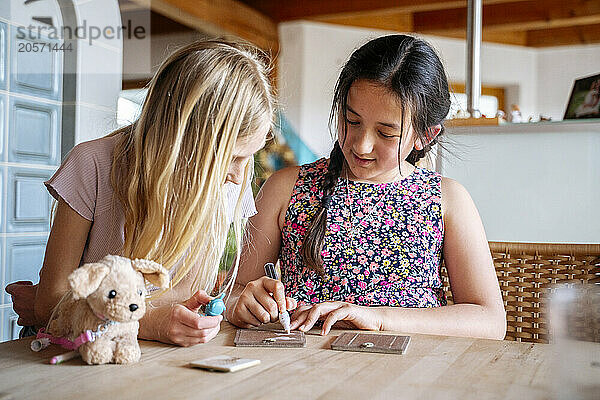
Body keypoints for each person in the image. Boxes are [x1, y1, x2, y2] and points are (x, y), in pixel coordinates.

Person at [226, 35, 506, 339]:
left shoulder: (447, 199)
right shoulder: (285, 187)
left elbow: (490, 321)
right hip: (305, 370)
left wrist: (378, 319)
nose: (361, 144)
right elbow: (235, 290)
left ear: (425, 135)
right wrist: (242, 303)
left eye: (386, 133)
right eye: (351, 120)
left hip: (413, 373)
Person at [5, 39, 275, 347]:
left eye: (248, 156)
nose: (239, 176)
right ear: (181, 139)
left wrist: (237, 303)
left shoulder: (226, 183)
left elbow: (190, 293)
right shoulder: (92, 163)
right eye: (231, 157)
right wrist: (146, 323)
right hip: (87, 352)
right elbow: (49, 302)